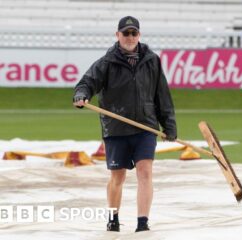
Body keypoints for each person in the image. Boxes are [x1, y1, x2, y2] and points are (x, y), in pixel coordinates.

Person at [72, 16, 177, 232]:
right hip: (116, 127)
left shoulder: (152, 60)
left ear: (139, 35)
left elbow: (162, 96)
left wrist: (169, 126)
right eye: (125, 33)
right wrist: (81, 95)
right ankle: (113, 219)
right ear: (117, 35)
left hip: (145, 127)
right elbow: (86, 83)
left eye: (134, 33)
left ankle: (142, 223)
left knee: (145, 172)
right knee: (117, 176)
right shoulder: (106, 62)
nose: (130, 37)